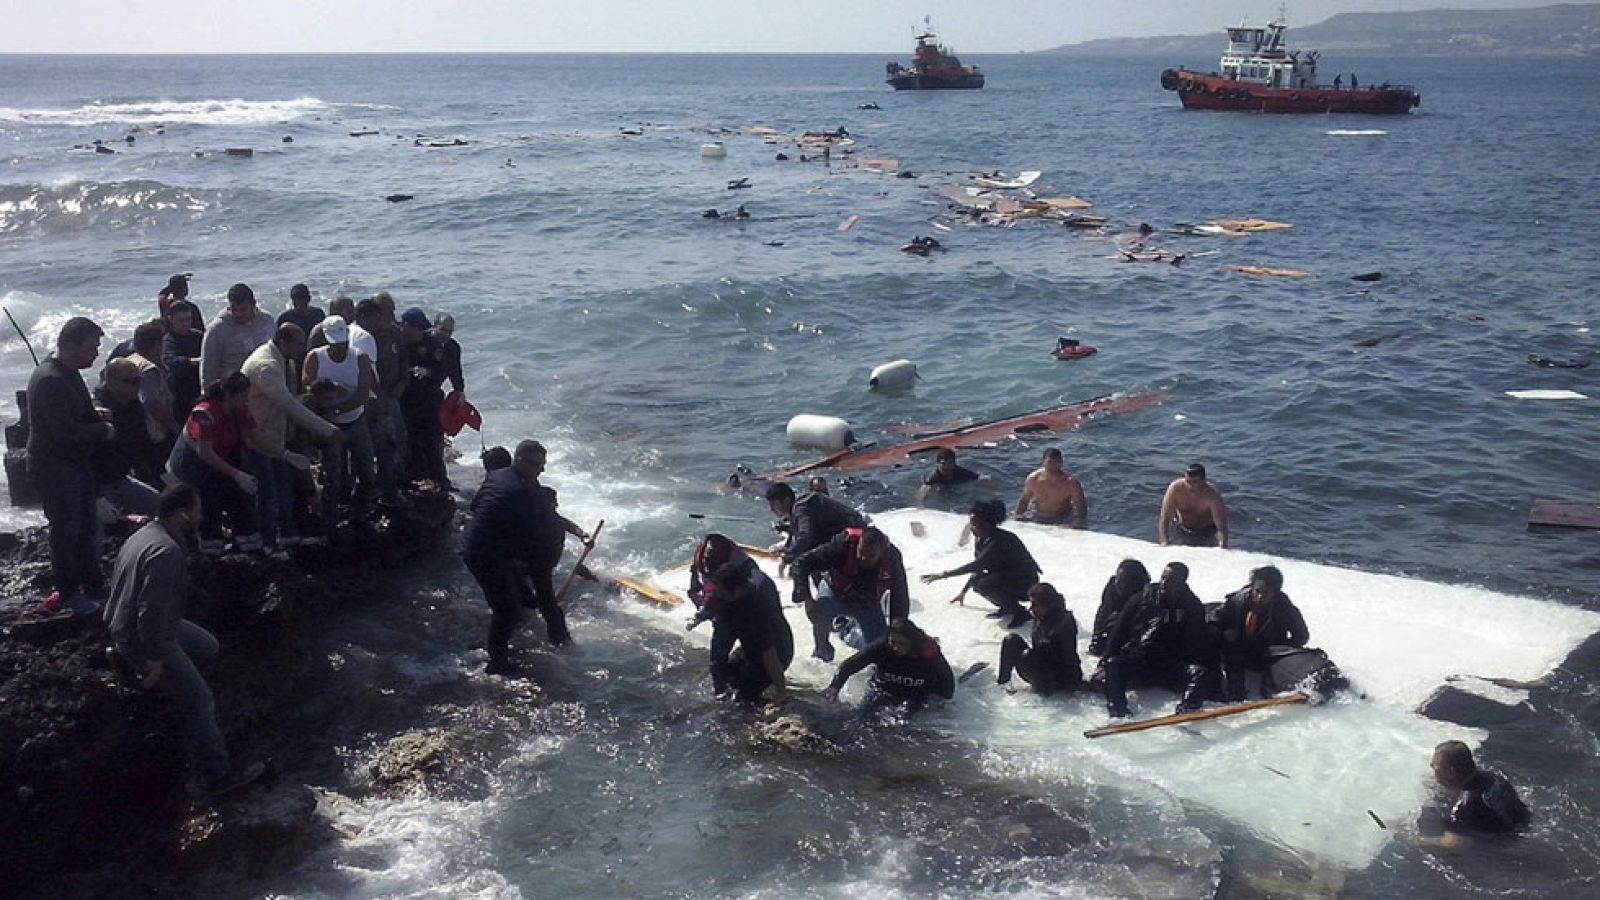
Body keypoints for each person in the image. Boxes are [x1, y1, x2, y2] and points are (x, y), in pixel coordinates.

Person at [103, 484, 263, 797]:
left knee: (209, 646)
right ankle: (219, 776)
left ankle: (178, 687)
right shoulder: (167, 552)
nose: (201, 517)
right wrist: (154, 659)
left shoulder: (143, 534)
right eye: (198, 511)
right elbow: (149, 615)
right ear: (182, 514)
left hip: (135, 620)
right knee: (201, 700)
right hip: (145, 633)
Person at [460, 440, 594, 675]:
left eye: (543, 465)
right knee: (508, 609)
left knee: (535, 600)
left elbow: (475, 507)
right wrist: (536, 564)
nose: (541, 470)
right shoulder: (520, 491)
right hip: (486, 554)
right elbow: (537, 530)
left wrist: (579, 533)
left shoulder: (501, 476)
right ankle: (497, 662)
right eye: (536, 464)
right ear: (519, 460)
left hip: (492, 546)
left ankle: (557, 638)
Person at [28, 316, 115, 614]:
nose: (96, 353)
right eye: (91, 347)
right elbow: (64, 432)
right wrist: (102, 430)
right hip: (55, 467)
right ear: (70, 345)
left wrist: (95, 415)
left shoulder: (70, 371)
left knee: (88, 528)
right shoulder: (50, 379)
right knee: (66, 532)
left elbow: (78, 413)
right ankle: (68, 592)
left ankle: (94, 585)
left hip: (77, 465)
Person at [242, 324, 340, 552]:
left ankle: (286, 533)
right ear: (283, 342)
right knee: (267, 493)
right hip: (259, 438)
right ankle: (268, 542)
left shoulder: (285, 361)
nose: (302, 348)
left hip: (277, 436)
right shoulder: (266, 367)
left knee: (284, 485)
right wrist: (327, 430)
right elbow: (289, 404)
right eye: (298, 344)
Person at [1098, 562, 1214, 717]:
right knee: (1114, 665)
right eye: (1163, 579)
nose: (1165, 584)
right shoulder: (1140, 599)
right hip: (1141, 661)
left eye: (1171, 581)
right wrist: (1103, 663)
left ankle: (1187, 709)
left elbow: (1200, 641)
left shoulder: (1192, 606)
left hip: (1170, 665)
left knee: (1200, 673)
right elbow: (1119, 632)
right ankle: (1118, 710)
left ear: (1182, 584)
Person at [166, 373, 261, 556]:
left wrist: (284, 454)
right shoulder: (205, 413)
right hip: (194, 466)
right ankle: (208, 553)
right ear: (228, 395)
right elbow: (204, 452)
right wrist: (237, 475)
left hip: (222, 461)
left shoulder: (239, 411)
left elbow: (253, 439)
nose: (246, 400)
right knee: (208, 506)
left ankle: (247, 547)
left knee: (240, 501)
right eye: (243, 396)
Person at [789, 526, 909, 662]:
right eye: (861, 552)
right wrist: (808, 599)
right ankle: (822, 652)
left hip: (867, 604)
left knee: (879, 649)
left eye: (870, 556)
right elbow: (800, 564)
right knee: (819, 612)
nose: (863, 558)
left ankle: (847, 633)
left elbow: (900, 597)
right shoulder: (844, 544)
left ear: (881, 553)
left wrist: (898, 630)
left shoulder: (892, 558)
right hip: (834, 595)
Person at [301, 317, 377, 530]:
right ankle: (330, 520)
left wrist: (337, 408)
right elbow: (307, 387)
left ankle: (358, 512)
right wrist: (328, 391)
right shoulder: (315, 358)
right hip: (329, 426)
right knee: (333, 475)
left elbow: (363, 393)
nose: (339, 348)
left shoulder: (359, 358)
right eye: (335, 344)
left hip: (355, 420)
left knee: (367, 471)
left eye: (342, 343)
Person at [922, 498, 1040, 628]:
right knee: (978, 584)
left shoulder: (1000, 541)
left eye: (974, 524)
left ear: (987, 525)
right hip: (1007, 578)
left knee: (984, 585)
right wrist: (963, 592)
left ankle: (1019, 613)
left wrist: (943, 575)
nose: (971, 528)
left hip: (1026, 585)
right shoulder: (981, 539)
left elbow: (977, 565)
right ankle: (1007, 607)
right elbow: (978, 568)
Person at [823, 618, 954, 720]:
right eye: (893, 642)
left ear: (912, 642)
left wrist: (940, 702)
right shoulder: (882, 647)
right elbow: (851, 664)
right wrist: (835, 686)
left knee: (901, 719)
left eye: (902, 644)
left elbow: (947, 681)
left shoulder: (928, 654)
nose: (896, 648)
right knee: (862, 715)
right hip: (882, 687)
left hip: (914, 692)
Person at [1211, 565, 1308, 701]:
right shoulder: (1237, 600)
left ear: (1275, 592)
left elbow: (1302, 636)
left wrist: (1281, 648)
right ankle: (1235, 692)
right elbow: (1217, 618)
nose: (1260, 596)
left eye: (1266, 593)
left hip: (1268, 650)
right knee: (1230, 637)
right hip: (1239, 646)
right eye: (1257, 591)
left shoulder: (1284, 606)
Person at [704, 561, 792, 704]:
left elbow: (769, 654)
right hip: (748, 645)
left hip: (779, 649)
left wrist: (781, 692)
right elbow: (718, 652)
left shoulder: (757, 611)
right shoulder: (725, 597)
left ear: (738, 590)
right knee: (725, 676)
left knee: (743, 697)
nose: (719, 597)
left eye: (723, 594)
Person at [1423, 741, 1530, 848]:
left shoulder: (1464, 808)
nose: (1432, 769)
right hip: (1524, 825)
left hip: (1505, 846)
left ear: (1451, 772)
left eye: (1436, 770)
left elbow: (1455, 845)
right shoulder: (1495, 778)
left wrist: (1416, 841)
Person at [351, 298, 406, 505]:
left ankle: (368, 493)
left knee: (363, 447)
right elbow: (369, 372)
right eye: (377, 316)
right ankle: (389, 494)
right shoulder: (365, 337)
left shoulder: (349, 332)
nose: (380, 321)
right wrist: (382, 397)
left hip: (359, 399)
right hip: (374, 399)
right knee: (387, 445)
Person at [90, 358, 160, 519]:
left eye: (139, 380)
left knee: (162, 506)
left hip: (121, 479)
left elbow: (145, 449)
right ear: (112, 383)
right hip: (97, 486)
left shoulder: (135, 408)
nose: (138, 386)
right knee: (103, 525)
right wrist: (96, 497)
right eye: (132, 381)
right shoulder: (97, 410)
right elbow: (85, 460)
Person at [996, 583, 1082, 695]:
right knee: (1011, 640)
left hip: (1061, 676)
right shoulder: (1041, 616)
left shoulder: (1063, 622)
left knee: (1028, 655)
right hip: (1043, 667)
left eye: (1035, 604)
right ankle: (1003, 683)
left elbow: (1064, 658)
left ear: (1048, 604)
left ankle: (1042, 693)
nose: (1031, 608)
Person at [765, 481, 865, 574]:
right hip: (848, 532)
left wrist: (786, 559)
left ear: (786, 501)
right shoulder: (797, 507)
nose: (771, 509)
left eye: (774, 504)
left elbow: (805, 537)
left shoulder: (802, 507)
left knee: (809, 555)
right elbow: (796, 534)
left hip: (855, 536)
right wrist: (784, 549)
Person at [398, 307, 448, 486]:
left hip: (426, 399)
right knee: (407, 441)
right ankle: (411, 477)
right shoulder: (394, 340)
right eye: (418, 328)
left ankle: (440, 479)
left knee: (431, 441)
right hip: (403, 399)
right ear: (406, 326)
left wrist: (427, 371)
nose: (422, 332)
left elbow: (441, 370)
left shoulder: (430, 343)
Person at [127, 320, 179, 480]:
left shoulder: (131, 360)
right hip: (154, 436)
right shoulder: (148, 369)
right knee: (164, 478)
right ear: (157, 344)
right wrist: (173, 426)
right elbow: (151, 402)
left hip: (135, 434)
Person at [199, 283, 275, 387]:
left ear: (253, 303)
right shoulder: (217, 329)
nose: (238, 314)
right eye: (234, 309)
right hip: (233, 392)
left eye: (243, 309)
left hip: (266, 386)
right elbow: (208, 369)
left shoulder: (267, 321)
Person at [1088, 559, 1151, 657]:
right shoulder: (1112, 589)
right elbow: (1102, 614)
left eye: (1124, 580)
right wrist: (1097, 637)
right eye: (1118, 578)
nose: (1117, 583)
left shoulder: (1146, 598)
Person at [1158, 463, 1229, 548]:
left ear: (1204, 480)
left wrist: (1222, 547)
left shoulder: (1212, 495)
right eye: (1187, 481)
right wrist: (1164, 542)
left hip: (1206, 531)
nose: (1190, 486)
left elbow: (1221, 527)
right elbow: (1164, 519)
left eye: (1195, 482)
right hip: (1182, 528)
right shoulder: (1175, 489)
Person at [1014, 448, 1087, 527]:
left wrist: (1076, 524)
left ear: (1061, 463)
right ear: (1043, 462)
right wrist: (1017, 517)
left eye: (1057, 462)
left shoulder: (1071, 483)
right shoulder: (1033, 479)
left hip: (1063, 518)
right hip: (1039, 516)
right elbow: (1024, 500)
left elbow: (1081, 508)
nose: (1053, 466)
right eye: (1050, 462)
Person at [161, 299, 204, 422]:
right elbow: (169, 361)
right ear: (171, 319)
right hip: (179, 393)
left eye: (188, 319)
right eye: (181, 320)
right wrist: (192, 361)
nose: (185, 323)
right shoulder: (168, 340)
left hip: (198, 387)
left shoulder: (198, 336)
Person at [915, 447, 981, 506]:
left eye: (950, 463)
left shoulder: (961, 472)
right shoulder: (933, 477)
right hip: (942, 490)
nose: (947, 467)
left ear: (954, 464)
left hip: (958, 488)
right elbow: (922, 491)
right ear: (937, 464)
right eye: (943, 464)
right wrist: (920, 504)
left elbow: (979, 478)